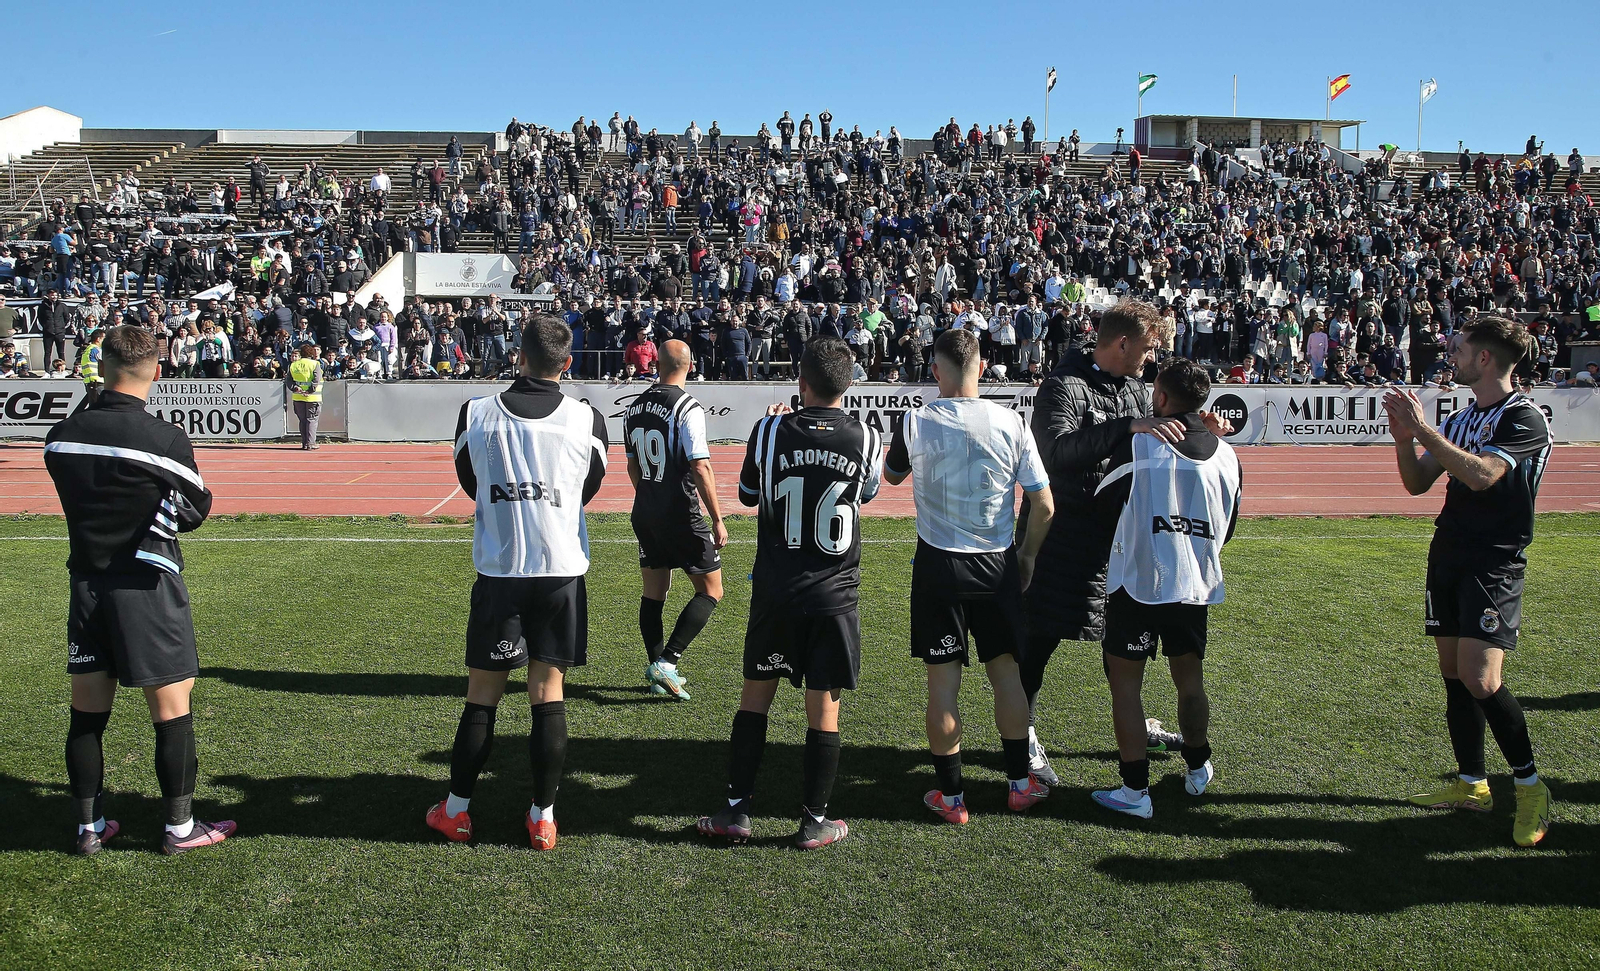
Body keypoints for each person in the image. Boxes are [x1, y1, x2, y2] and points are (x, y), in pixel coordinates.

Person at [42, 325, 235, 856]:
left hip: (87, 586)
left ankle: (89, 827)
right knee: (172, 709)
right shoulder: (163, 438)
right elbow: (197, 506)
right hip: (146, 586)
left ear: (101, 366)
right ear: (157, 369)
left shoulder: (61, 435)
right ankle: (179, 828)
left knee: (86, 714)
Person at [425, 316, 609, 851]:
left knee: (482, 695)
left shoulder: (475, 412)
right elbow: (587, 488)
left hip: (500, 572)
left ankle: (456, 812)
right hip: (560, 572)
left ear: (518, 356)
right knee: (548, 693)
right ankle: (542, 818)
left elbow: (471, 482)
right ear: (567, 364)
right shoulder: (588, 418)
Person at [1020, 299, 1218, 784]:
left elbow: (1153, 445)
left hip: (1123, 544)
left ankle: (1137, 726)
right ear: (1124, 343)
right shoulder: (1062, 385)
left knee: (1124, 650)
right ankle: (1021, 736)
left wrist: (1198, 432)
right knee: (1037, 644)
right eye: (1148, 349)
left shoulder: (1134, 388)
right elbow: (1053, 453)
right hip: (1064, 542)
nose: (1152, 359)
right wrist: (1125, 426)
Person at [697, 337, 883, 850]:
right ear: (849, 384)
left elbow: (748, 495)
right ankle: (815, 819)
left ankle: (736, 810)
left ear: (800, 382)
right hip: (834, 596)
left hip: (777, 590)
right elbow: (865, 494)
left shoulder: (770, 429)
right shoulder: (867, 436)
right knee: (824, 709)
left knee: (755, 699)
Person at [1383, 317, 1554, 848]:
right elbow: (1417, 483)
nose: (1450, 356)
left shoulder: (1524, 417)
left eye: (1458, 349)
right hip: (1449, 553)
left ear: (1484, 358)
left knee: (1482, 679)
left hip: (1494, 561)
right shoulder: (1460, 418)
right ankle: (1471, 783)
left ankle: (1530, 788)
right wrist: (1404, 440)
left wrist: (1423, 430)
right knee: (1455, 674)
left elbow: (1482, 475)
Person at [881, 329, 1055, 825]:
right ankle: (1019, 784)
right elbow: (1044, 504)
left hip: (939, 567)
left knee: (943, 685)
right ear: (982, 367)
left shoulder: (916, 420)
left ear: (936, 370)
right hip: (995, 565)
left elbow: (891, 476)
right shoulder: (1011, 421)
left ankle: (952, 797)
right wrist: (1026, 557)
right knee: (1006, 675)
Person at [1088, 359, 1241, 819]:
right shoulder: (1227, 455)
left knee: (1126, 687)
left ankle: (1135, 791)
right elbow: (1228, 525)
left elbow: (1102, 509)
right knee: (1190, 681)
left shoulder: (1140, 444)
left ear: (1160, 397)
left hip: (1137, 582)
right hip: (1194, 585)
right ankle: (1198, 766)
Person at [624, 339, 729, 700]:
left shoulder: (634, 406)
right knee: (711, 590)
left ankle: (658, 670)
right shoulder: (687, 406)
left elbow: (633, 465)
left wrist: (648, 497)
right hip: (680, 512)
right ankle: (667, 662)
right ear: (691, 365)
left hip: (645, 509)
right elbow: (700, 466)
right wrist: (717, 518)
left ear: (656, 364)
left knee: (654, 592)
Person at [287, 344, 323, 450]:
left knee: (302, 420)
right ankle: (311, 443)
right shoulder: (315, 364)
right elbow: (316, 379)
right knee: (312, 420)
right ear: (311, 353)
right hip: (313, 397)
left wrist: (295, 388)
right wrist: (310, 390)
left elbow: (288, 380)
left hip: (298, 396)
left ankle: (304, 443)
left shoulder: (293, 365)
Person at [78, 327, 105, 410]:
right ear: (98, 339)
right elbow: (106, 363)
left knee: (93, 407)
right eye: (104, 338)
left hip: (90, 382)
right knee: (101, 407)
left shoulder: (87, 350)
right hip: (98, 382)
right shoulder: (97, 350)